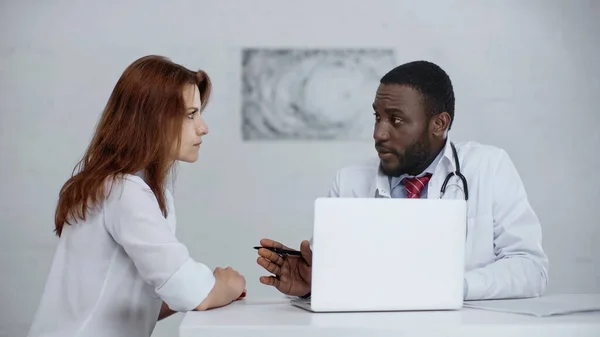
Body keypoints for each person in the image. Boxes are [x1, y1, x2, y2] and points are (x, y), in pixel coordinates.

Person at [256, 60, 549, 301]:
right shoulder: (349, 183)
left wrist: (452, 287)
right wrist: (311, 285)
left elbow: (530, 268)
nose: (379, 133)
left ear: (439, 123)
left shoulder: (489, 167)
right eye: (377, 117)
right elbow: (336, 277)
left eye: (395, 120)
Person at [28, 55, 246, 337]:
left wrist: (197, 291)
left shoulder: (119, 187)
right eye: (191, 114)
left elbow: (128, 296)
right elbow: (192, 290)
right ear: (153, 119)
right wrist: (226, 285)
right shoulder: (124, 191)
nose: (203, 127)